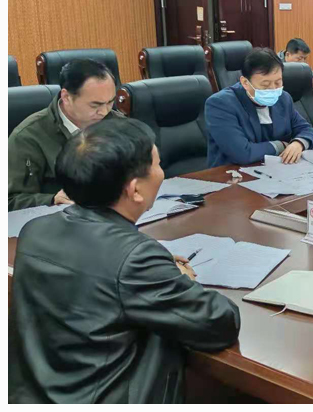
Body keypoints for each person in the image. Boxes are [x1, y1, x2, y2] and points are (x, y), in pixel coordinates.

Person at [9, 118, 241, 403]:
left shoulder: (35, 230)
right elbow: (219, 324)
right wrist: (181, 279)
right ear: (135, 190)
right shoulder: (136, 259)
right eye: (157, 165)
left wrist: (153, 266)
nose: (162, 172)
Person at [8, 59, 120, 211]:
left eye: (110, 102)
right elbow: (10, 200)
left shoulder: (118, 124)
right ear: (66, 97)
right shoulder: (28, 137)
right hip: (59, 218)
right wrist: (52, 199)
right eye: (95, 105)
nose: (104, 111)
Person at [205, 47, 313, 167]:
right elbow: (243, 153)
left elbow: (307, 130)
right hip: (232, 172)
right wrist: (281, 145)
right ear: (245, 83)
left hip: (276, 169)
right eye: (265, 85)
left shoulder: (283, 98)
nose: (273, 89)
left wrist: (298, 143)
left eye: (278, 82)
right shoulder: (220, 104)